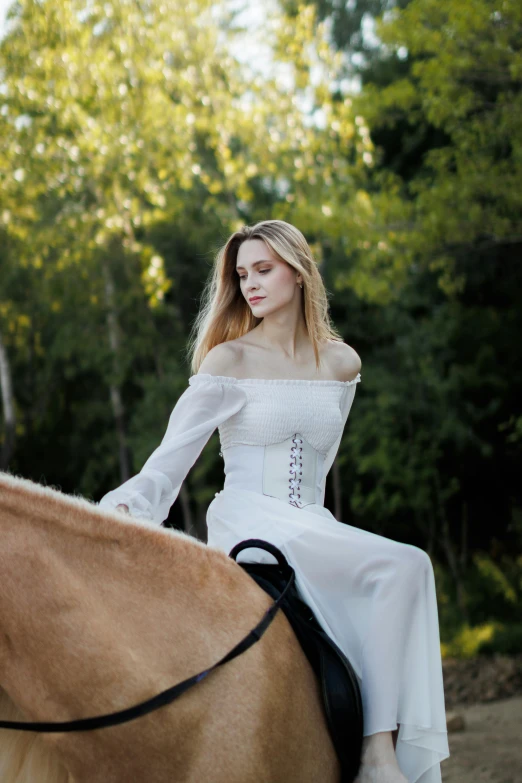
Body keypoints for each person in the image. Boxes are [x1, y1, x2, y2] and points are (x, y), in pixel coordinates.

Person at [98, 219, 449, 783]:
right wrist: (122, 513)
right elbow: (170, 461)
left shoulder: (342, 363)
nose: (251, 284)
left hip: (311, 521)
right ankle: (377, 759)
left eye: (263, 270)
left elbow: (320, 467)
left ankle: (380, 750)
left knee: (408, 567)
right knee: (406, 562)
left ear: (299, 271)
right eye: (242, 275)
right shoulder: (228, 361)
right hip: (249, 518)